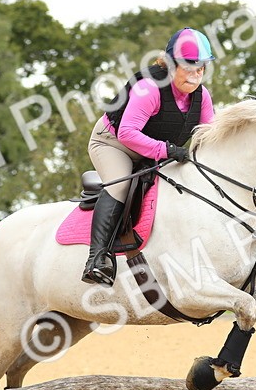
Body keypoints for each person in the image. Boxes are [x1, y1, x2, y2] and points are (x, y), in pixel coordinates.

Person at [81, 27, 217, 285]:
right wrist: (167, 150)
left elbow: (210, 136)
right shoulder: (150, 89)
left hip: (153, 150)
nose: (196, 73)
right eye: (189, 65)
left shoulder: (202, 97)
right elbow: (127, 133)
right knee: (121, 185)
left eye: (201, 67)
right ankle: (97, 259)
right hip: (114, 143)